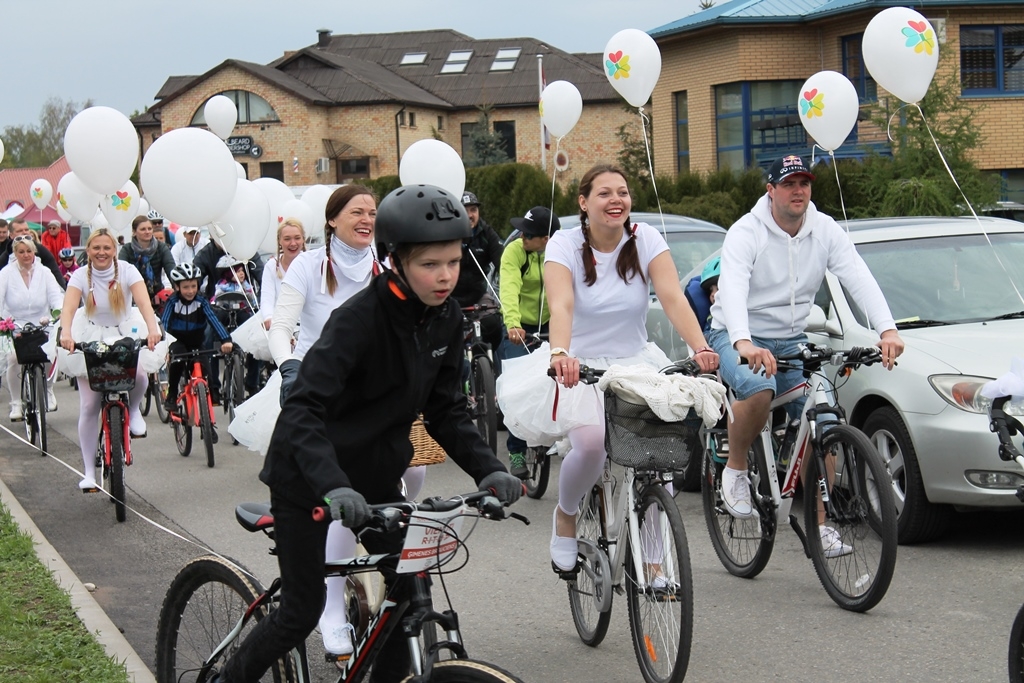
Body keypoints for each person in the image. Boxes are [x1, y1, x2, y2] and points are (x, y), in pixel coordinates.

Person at [212, 184, 521, 683]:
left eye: (453, 262)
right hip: (308, 476)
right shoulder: (356, 321)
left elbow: (447, 412)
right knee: (300, 609)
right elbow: (303, 408)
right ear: (396, 261)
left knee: (406, 592)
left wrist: (489, 468)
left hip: (376, 475)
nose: (445, 276)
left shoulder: (444, 320)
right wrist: (333, 484)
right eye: (430, 265)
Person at [496, 164, 720, 572]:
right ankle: (566, 515)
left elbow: (672, 297)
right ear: (583, 203)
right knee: (593, 445)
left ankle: (654, 554)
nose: (615, 199)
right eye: (604, 193)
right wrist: (560, 352)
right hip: (579, 363)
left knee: (658, 456)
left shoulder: (646, 239)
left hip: (636, 361)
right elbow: (561, 304)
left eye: (623, 191)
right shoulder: (563, 244)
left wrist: (700, 347)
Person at [231, 186, 416, 660]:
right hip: (318, 392)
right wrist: (290, 366)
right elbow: (283, 325)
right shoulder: (309, 266)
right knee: (340, 492)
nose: (367, 219)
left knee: (408, 474)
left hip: (372, 397)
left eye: (373, 212)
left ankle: (371, 573)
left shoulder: (387, 267)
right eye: (357, 211)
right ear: (332, 219)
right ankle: (331, 610)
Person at [708, 154, 904, 537]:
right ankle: (735, 468)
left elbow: (857, 277)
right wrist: (744, 343)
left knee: (826, 417)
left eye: (804, 183)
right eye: (788, 184)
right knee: (758, 388)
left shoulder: (825, 230)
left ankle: (820, 527)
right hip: (734, 334)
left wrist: (887, 330)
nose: (798, 191)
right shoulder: (747, 231)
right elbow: (733, 288)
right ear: (771, 190)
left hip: (792, 339)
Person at [58, 228, 163, 491]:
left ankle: (135, 410)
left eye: (106, 248)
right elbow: (69, 308)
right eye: (96, 248)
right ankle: (89, 472)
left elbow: (144, 303)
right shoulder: (81, 275)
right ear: (88, 250)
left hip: (124, 330)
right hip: (90, 333)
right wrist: (67, 333)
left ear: (114, 250)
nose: (101, 253)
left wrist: (153, 328)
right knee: (89, 404)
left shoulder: (127, 270)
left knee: (139, 374)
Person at [498, 206, 560, 477]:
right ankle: (517, 452)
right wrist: (512, 323)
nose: (522, 235)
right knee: (517, 388)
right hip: (519, 326)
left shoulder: (559, 253)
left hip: (551, 322)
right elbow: (509, 287)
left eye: (529, 233)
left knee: (562, 380)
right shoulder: (515, 251)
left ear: (545, 239)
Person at [160, 264, 233, 431]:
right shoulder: (172, 302)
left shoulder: (201, 301)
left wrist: (225, 339)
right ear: (177, 287)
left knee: (205, 368)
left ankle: (208, 411)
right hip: (177, 341)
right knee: (177, 364)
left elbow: (213, 320)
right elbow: (164, 323)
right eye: (185, 287)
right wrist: (163, 347)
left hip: (197, 341)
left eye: (193, 286)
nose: (190, 291)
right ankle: (171, 396)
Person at [0, 235, 64, 419]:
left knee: (50, 353)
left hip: (42, 321)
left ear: (34, 252)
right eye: (21, 252)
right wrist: (3, 320)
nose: (26, 255)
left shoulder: (44, 272)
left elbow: (55, 296)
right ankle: (16, 403)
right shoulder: (6, 273)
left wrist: (57, 312)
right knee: (13, 358)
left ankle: (49, 390)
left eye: (29, 251)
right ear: (15, 253)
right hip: (14, 322)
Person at [453, 191, 503, 354]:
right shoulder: (447, 233)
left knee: (495, 324)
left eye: (473, 210)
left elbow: (503, 263)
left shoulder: (487, 233)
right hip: (450, 296)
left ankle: (491, 365)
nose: (469, 215)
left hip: (478, 295)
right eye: (464, 210)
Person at [259, 218, 306, 330]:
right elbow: (267, 298)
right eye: (287, 239)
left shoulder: (312, 264)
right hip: (280, 325)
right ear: (279, 240)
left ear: (303, 239)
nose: (293, 243)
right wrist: (268, 317)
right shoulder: (271, 266)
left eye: (297, 238)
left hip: (306, 326)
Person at [119, 215, 175, 307]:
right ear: (134, 232)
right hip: (132, 297)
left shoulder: (161, 247)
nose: (147, 232)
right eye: (143, 229)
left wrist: (177, 287)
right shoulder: (127, 249)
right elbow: (121, 273)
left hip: (156, 296)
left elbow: (171, 268)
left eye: (149, 229)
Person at [0, 219, 66, 289]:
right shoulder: (6, 256)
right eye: (19, 231)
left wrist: (64, 294)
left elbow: (56, 274)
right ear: (11, 235)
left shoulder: (41, 251)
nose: (24, 232)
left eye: (26, 230)